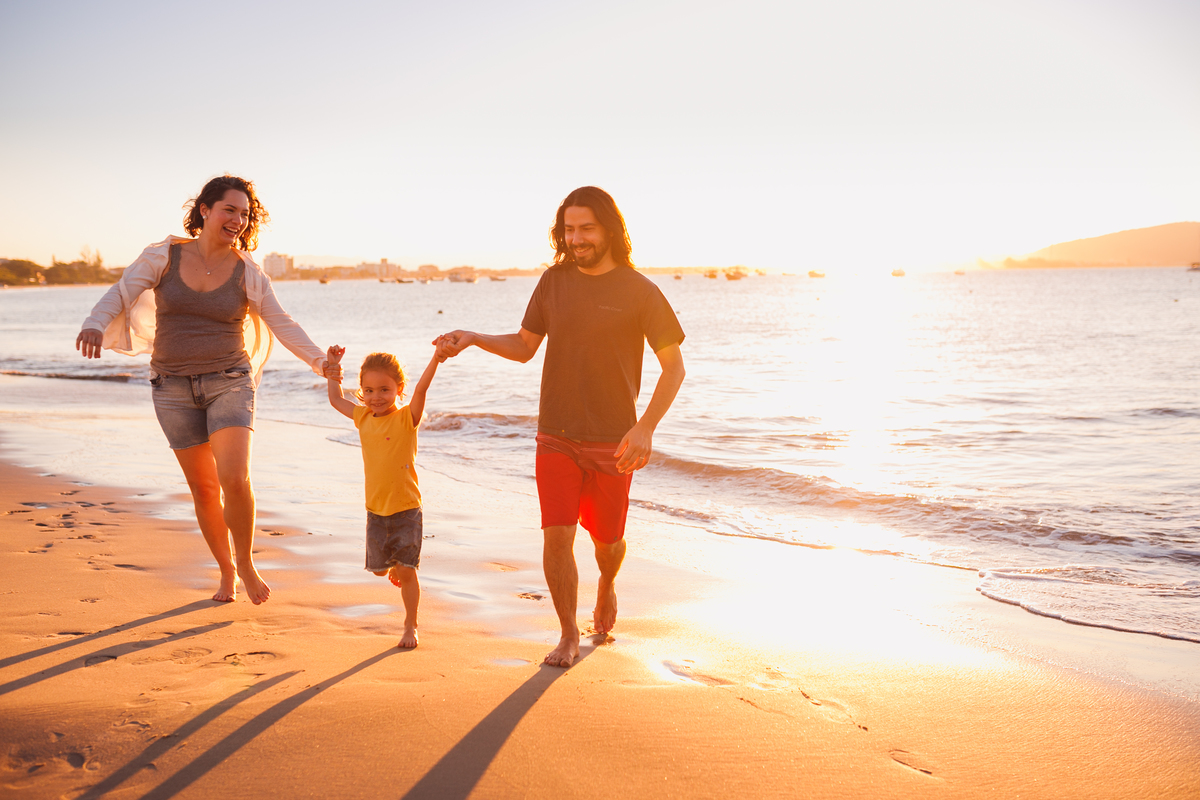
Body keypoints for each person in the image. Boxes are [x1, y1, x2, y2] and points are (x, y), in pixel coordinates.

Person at [435, 186, 686, 667]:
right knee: (557, 534)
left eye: (586, 228)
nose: (576, 239)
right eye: (569, 230)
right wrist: (473, 338)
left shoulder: (641, 291)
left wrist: (645, 428)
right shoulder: (553, 281)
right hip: (556, 434)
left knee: (608, 544)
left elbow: (673, 368)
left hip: (615, 441)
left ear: (609, 229)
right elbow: (526, 345)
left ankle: (608, 584)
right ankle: (569, 633)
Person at [76, 174, 340, 605]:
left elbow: (282, 322)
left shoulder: (248, 273)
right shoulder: (164, 256)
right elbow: (120, 294)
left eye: (244, 214)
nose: (237, 220)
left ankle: (248, 563)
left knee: (234, 478)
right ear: (205, 211)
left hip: (229, 381)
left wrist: (319, 362)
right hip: (171, 386)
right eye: (229, 210)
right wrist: (93, 323)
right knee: (203, 489)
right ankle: (226, 571)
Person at [325, 346, 441, 649]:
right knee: (378, 570)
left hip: (406, 509)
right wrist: (333, 369)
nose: (376, 396)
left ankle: (410, 625)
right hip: (375, 510)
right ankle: (390, 566)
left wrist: (436, 358)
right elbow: (337, 399)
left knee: (408, 570)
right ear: (361, 391)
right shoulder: (363, 417)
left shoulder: (407, 419)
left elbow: (422, 388)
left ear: (398, 389)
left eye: (385, 390)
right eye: (369, 390)